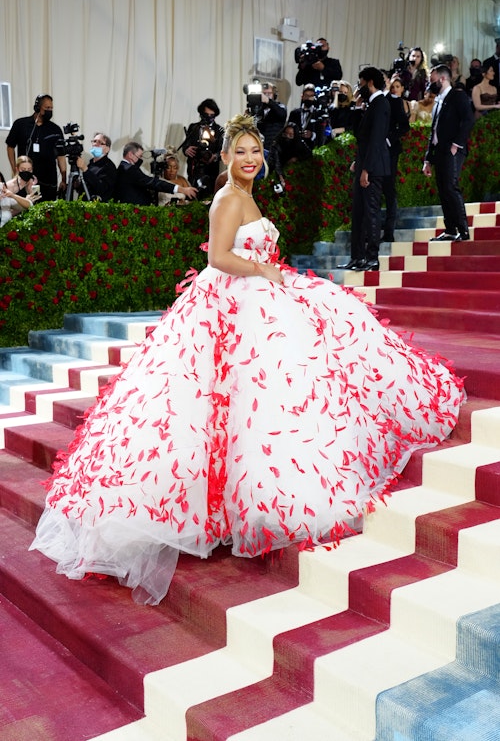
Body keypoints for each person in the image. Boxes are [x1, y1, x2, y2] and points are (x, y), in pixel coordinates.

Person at [30, 113, 464, 606]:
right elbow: (217, 257)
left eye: (256, 152)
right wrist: (263, 268)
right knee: (232, 405)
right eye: (241, 152)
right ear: (225, 156)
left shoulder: (247, 194)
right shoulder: (225, 198)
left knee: (281, 391)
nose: (251, 160)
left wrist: (268, 272)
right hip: (235, 303)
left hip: (257, 297)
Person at [338, 67, 391, 272]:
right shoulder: (371, 105)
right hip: (364, 163)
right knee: (359, 213)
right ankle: (357, 257)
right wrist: (357, 108)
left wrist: (366, 168)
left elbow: (377, 139)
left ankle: (372, 258)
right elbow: (361, 136)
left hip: (373, 167)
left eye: (360, 83)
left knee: (371, 213)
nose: (359, 88)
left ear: (369, 83)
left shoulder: (381, 104)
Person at [423, 64, 474, 242]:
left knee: (451, 187)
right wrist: (427, 159)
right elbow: (434, 131)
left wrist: (457, 144)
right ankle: (450, 229)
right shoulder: (438, 100)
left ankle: (463, 229)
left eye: (432, 79)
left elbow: (468, 120)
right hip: (439, 151)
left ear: (442, 79)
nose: (430, 83)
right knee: (443, 190)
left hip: (452, 150)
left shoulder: (457, 96)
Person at [6, 94, 67, 201]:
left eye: (51, 108)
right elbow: (10, 147)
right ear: (38, 107)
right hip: (25, 178)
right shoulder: (20, 124)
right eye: (47, 108)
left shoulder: (55, 129)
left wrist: (63, 178)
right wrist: (14, 169)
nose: (50, 111)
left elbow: (61, 156)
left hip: (48, 180)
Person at [114, 141, 198, 205]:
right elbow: (152, 182)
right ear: (130, 155)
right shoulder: (129, 169)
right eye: (139, 156)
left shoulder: (124, 167)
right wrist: (180, 189)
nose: (140, 159)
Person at [381, 76, 411, 243]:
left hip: (391, 150)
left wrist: (389, 139)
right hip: (379, 150)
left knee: (389, 188)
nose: (393, 89)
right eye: (392, 85)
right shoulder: (381, 99)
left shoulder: (396, 102)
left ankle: (389, 231)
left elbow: (404, 126)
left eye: (397, 86)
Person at [181, 98, 224, 196]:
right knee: (193, 195)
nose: (209, 117)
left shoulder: (220, 130)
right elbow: (186, 145)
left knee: (209, 197)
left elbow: (224, 152)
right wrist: (186, 150)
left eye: (212, 115)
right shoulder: (193, 127)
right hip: (194, 168)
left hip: (211, 171)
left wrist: (214, 156)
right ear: (201, 114)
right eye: (206, 115)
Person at [267, 122, 312, 188]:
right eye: (285, 134)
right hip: (275, 171)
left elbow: (308, 153)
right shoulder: (277, 144)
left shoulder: (298, 143)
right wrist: (280, 177)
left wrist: (296, 158)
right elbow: (276, 162)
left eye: (291, 135)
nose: (287, 136)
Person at [73, 133, 117, 202]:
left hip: (96, 208)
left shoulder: (109, 166)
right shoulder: (90, 163)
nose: (96, 144)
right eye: (94, 141)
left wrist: (85, 170)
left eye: (100, 142)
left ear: (107, 149)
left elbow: (102, 188)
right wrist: (78, 185)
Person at [254, 83, 287, 150]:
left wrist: (268, 101)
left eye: (269, 93)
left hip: (274, 147)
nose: (266, 96)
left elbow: (282, 114)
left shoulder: (280, 106)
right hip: (260, 146)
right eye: (264, 93)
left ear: (274, 95)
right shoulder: (259, 109)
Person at [287, 84, 319, 149]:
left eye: (311, 96)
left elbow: (321, 133)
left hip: (311, 148)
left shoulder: (317, 114)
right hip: (295, 147)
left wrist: (312, 135)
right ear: (302, 96)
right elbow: (289, 129)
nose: (308, 98)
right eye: (306, 96)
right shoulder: (294, 113)